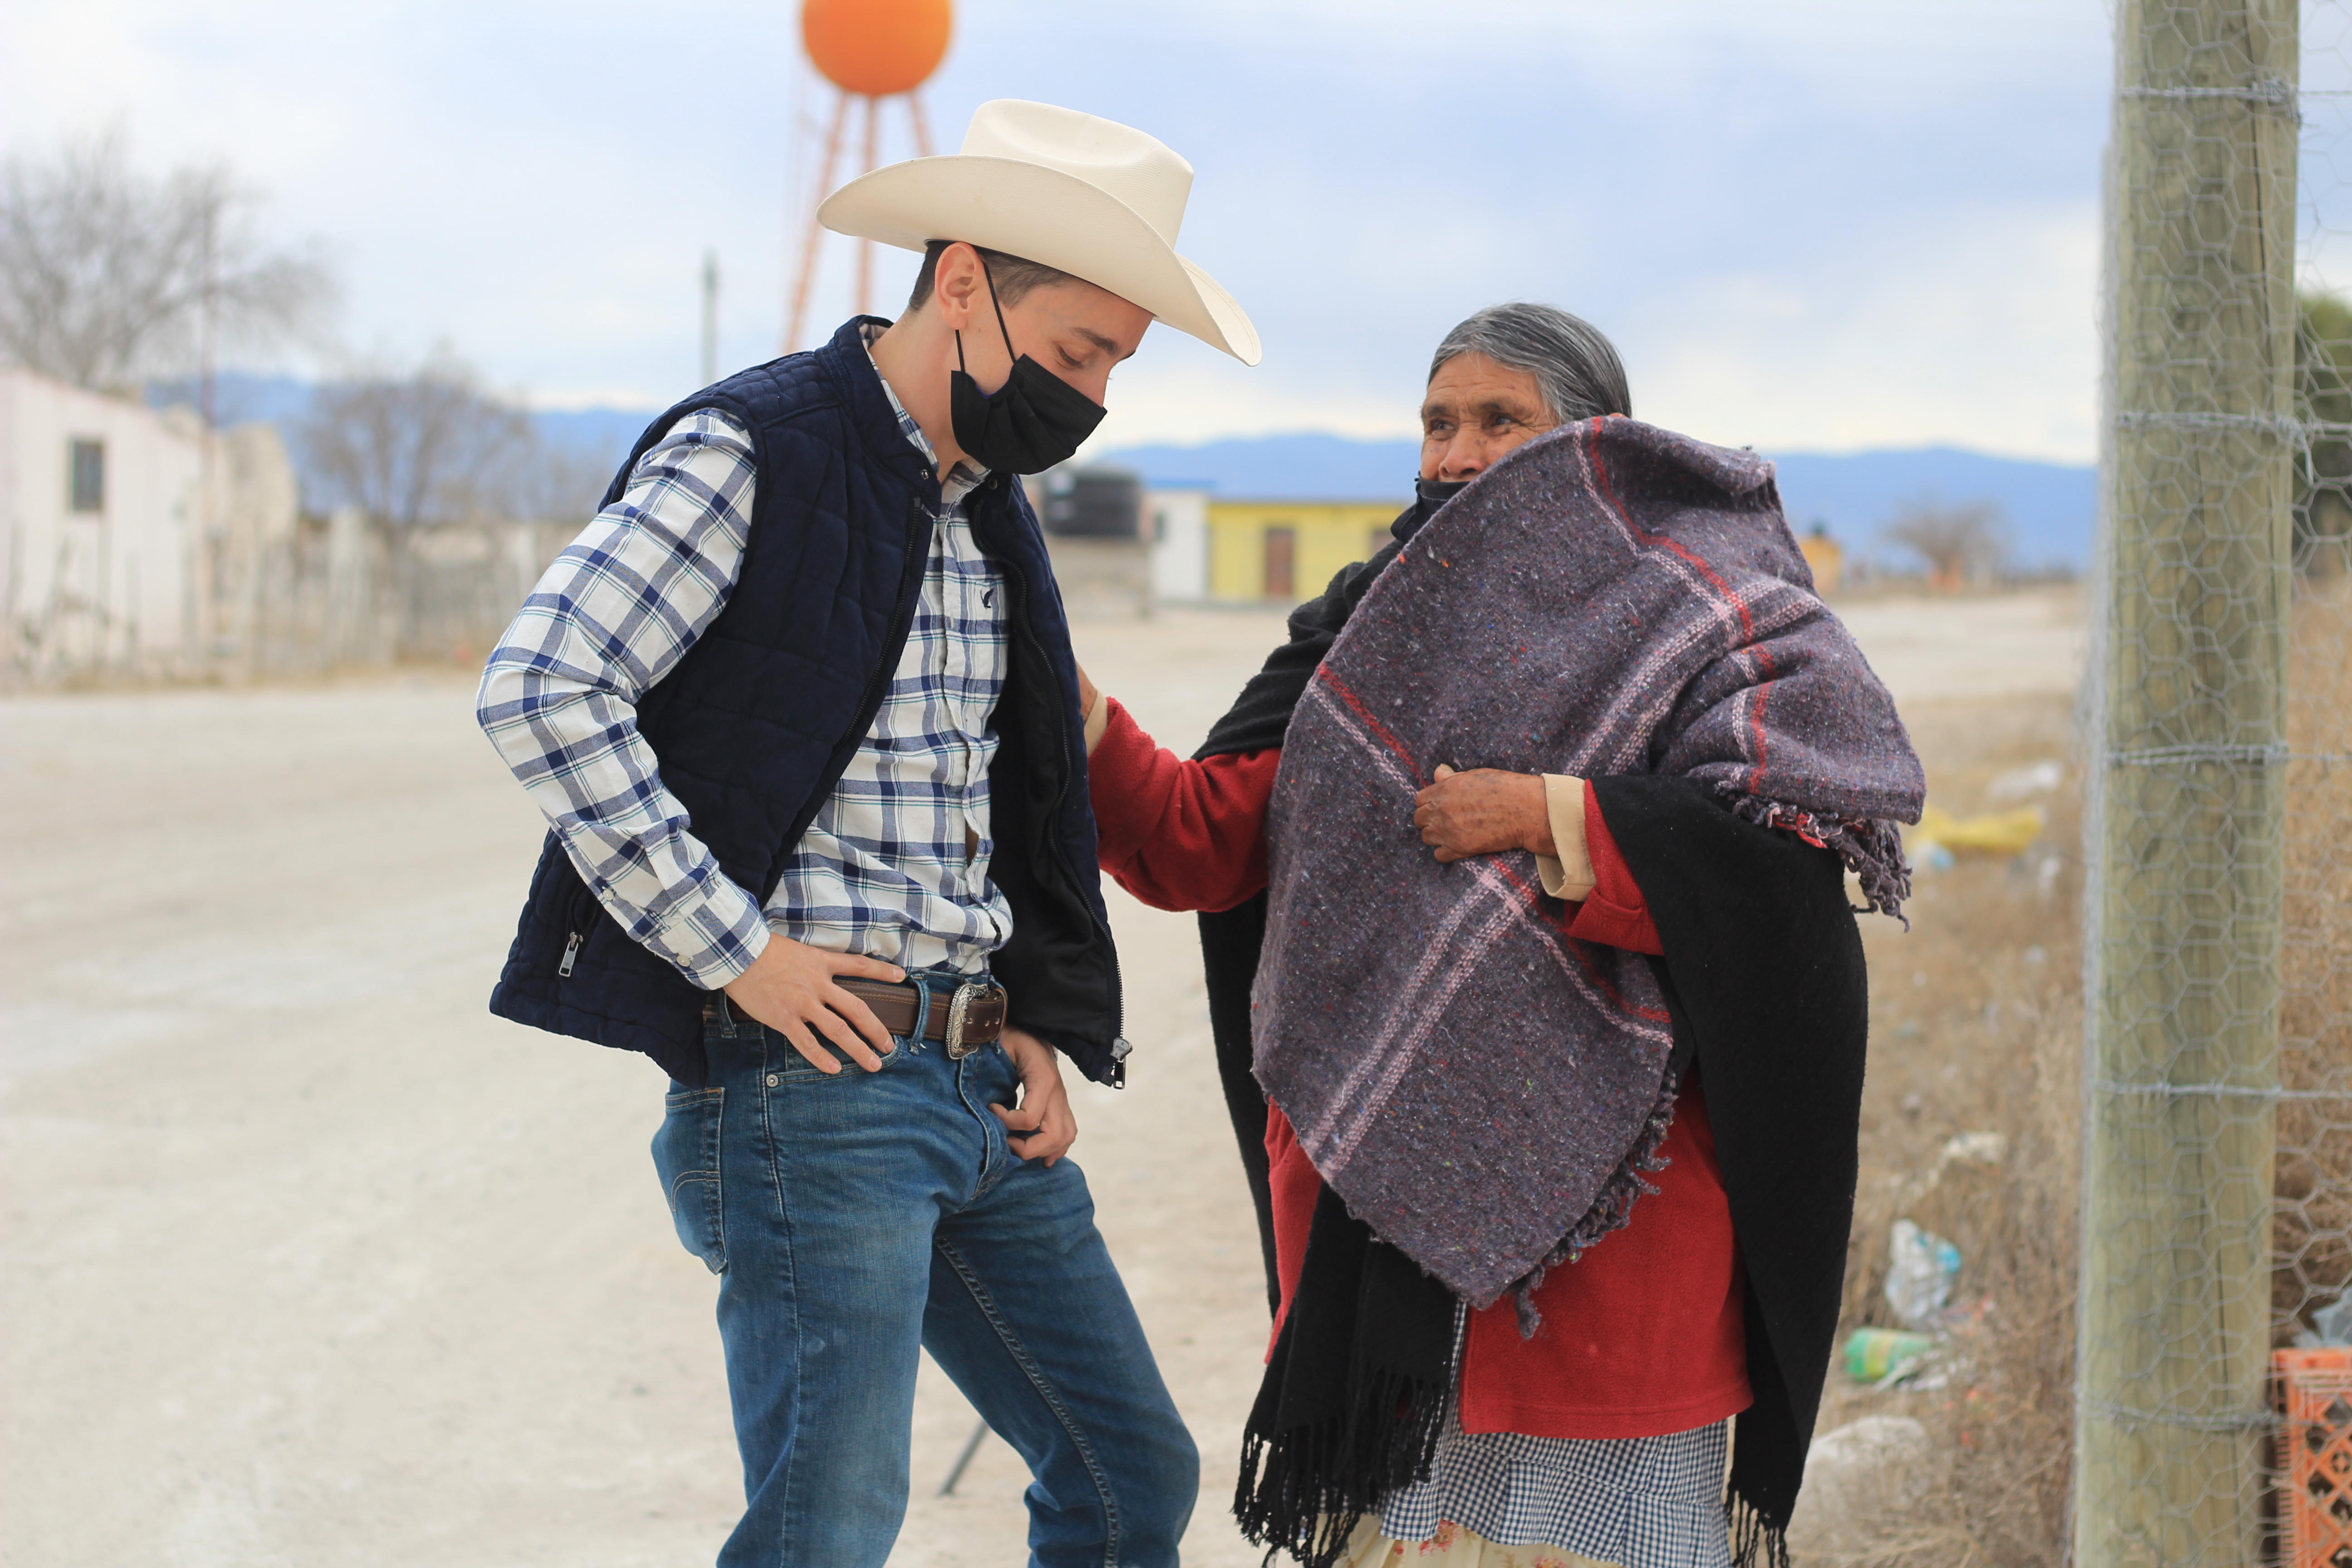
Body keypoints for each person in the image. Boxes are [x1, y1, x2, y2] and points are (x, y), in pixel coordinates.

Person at [475, 100, 1259, 1568]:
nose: (1093, 397)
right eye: (1079, 352)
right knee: (826, 1536)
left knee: (1129, 1476)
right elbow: (544, 685)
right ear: (959, 281)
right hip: (810, 1090)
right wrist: (740, 953)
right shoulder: (756, 447)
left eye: (1114, 370)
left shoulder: (990, 512)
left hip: (972, 1087)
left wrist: (1028, 1014)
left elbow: (998, 799)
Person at [1074, 303, 1924, 1568]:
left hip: (1608, 1280)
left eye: (1498, 421)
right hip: (1386, 1272)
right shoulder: (1367, 633)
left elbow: (1784, 885)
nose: (1457, 454)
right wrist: (1064, 702)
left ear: (1592, 448)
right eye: (1437, 421)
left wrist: (1555, 817)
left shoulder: (1713, 619)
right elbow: (1204, 840)